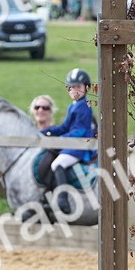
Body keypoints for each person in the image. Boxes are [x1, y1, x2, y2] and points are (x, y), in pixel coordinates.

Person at [36, 69, 97, 213]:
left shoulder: (85, 106)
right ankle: (48, 196)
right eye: (71, 87)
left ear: (86, 87)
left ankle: (63, 201)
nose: (74, 90)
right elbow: (64, 127)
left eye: (78, 87)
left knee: (58, 164)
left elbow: (80, 131)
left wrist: (62, 139)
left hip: (79, 146)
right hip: (71, 144)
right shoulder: (73, 105)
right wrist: (47, 131)